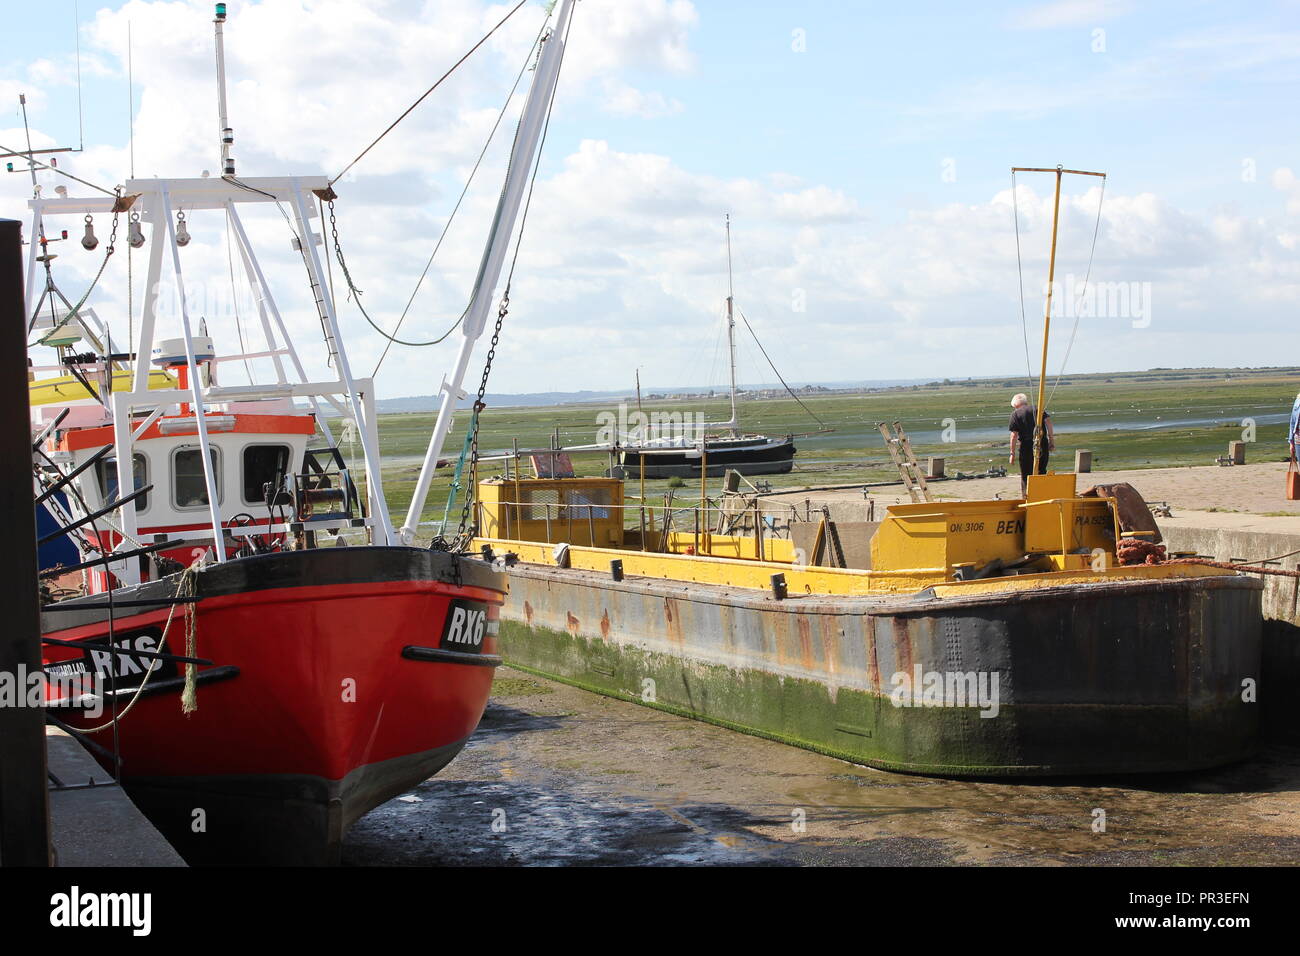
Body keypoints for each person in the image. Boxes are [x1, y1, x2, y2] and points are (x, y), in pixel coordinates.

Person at [1008, 392, 1055, 497]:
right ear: (1025, 402)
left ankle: (1027, 497)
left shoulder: (1015, 414)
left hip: (1026, 446)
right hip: (1042, 443)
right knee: (1042, 470)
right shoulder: (1037, 409)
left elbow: (1014, 435)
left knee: (1026, 474)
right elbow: (1048, 423)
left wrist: (1012, 453)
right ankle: (1042, 495)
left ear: (1015, 405)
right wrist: (1051, 441)